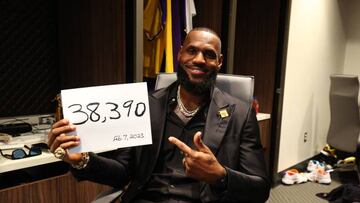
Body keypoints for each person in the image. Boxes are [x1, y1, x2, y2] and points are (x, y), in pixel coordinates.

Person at [48, 27, 270, 203]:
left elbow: (260, 189)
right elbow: (124, 172)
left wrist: (220, 176)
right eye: (192, 50)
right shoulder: (144, 105)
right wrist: (82, 161)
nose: (200, 59)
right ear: (180, 54)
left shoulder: (240, 113)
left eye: (209, 55)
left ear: (219, 62)